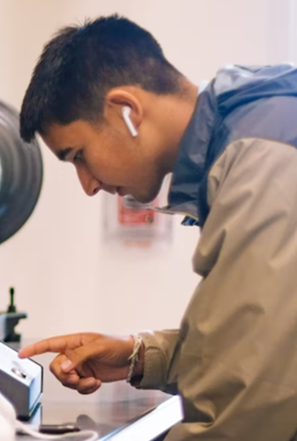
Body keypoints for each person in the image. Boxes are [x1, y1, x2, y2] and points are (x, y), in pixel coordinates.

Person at [16, 14, 297, 441]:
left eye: (78, 155)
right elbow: (258, 345)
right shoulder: (253, 129)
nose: (88, 185)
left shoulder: (263, 162)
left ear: (126, 111)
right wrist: (142, 357)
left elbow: (251, 405)